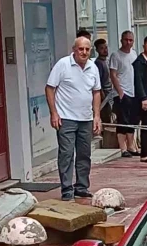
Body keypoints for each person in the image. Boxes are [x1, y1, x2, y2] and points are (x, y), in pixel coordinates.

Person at [45, 37, 101, 201]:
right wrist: (54, 113)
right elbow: (50, 88)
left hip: (86, 118)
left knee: (84, 154)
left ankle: (82, 187)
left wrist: (97, 116)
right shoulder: (63, 64)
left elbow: (96, 91)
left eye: (87, 49)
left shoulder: (93, 66)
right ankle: (67, 190)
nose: (84, 52)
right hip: (66, 118)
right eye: (80, 49)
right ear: (74, 50)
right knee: (67, 154)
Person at [109, 31, 140, 157]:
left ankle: (131, 146)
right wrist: (120, 92)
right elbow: (113, 74)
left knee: (132, 121)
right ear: (121, 40)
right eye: (126, 40)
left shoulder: (134, 54)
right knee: (122, 121)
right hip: (121, 93)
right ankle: (123, 148)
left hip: (133, 93)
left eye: (130, 40)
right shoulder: (116, 56)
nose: (128, 42)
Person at [94, 38, 113, 124]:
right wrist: (101, 93)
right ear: (97, 50)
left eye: (105, 47)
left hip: (112, 92)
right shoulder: (98, 63)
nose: (105, 50)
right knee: (106, 116)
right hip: (104, 94)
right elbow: (98, 80)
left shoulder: (108, 60)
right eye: (101, 48)